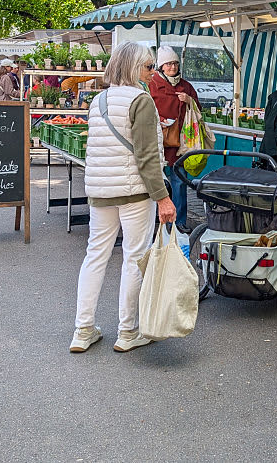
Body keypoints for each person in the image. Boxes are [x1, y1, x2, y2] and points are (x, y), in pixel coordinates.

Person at [71, 42, 176, 354]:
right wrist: (163, 198)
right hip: (133, 193)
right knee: (133, 257)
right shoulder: (140, 100)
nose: (152, 72)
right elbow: (147, 157)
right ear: (133, 68)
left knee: (95, 257)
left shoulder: (98, 100)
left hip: (100, 191)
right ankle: (127, 331)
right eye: (147, 67)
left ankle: (83, 329)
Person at [148, 45, 200, 229]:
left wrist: (189, 101)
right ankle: (158, 222)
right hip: (157, 143)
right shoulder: (151, 84)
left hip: (180, 145)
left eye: (175, 63)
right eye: (168, 64)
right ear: (161, 66)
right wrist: (160, 120)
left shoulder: (186, 86)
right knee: (158, 184)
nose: (172, 67)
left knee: (179, 184)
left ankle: (179, 223)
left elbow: (198, 110)